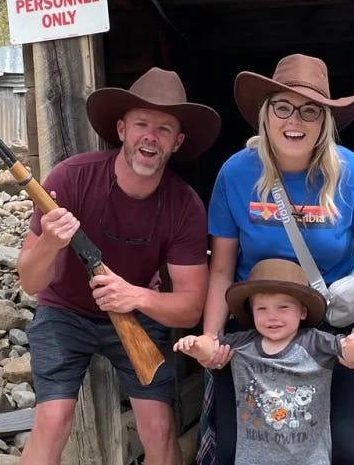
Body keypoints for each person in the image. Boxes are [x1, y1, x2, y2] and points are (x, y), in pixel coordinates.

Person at [201, 53, 354, 465]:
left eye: (310, 111)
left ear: (325, 121)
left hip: (334, 329)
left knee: (345, 446)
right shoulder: (235, 174)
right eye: (283, 107)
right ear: (265, 113)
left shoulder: (352, 173)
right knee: (231, 445)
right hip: (257, 325)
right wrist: (210, 337)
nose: (295, 121)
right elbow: (221, 267)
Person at [16, 67, 221, 465]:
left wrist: (134, 296)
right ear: (122, 129)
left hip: (137, 313)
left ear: (177, 142)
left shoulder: (185, 205)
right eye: (142, 123)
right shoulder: (70, 178)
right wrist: (51, 244)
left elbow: (191, 306)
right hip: (64, 312)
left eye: (163, 129)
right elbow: (30, 280)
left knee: (159, 428)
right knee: (53, 420)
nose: (150, 136)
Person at [176, 258, 354, 465]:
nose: (272, 316)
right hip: (252, 457)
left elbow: (347, 349)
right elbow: (212, 348)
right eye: (262, 308)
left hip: (309, 457)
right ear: (251, 312)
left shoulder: (315, 343)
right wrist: (195, 345)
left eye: (283, 307)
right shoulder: (243, 343)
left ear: (302, 311)